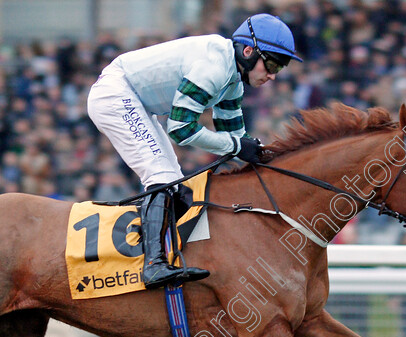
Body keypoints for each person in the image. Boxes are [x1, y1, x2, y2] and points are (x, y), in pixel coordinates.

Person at [87, 13, 302, 289]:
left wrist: (266, 154)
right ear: (248, 51)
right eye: (271, 64)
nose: (272, 75)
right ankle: (152, 265)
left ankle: (162, 255)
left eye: (279, 68)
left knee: (174, 184)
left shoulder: (234, 80)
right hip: (116, 94)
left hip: (137, 102)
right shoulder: (213, 68)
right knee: (162, 176)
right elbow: (181, 130)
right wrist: (238, 146)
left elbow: (235, 138)